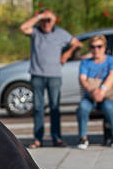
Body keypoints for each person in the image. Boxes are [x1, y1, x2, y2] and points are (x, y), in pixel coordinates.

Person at [19, 9, 81, 148]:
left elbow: (77, 43)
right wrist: (39, 16)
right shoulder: (35, 32)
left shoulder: (61, 33)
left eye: (49, 20)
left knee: (55, 108)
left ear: (54, 20)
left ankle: (57, 138)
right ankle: (38, 139)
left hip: (54, 76)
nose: (46, 23)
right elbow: (23, 28)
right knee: (38, 108)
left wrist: (67, 54)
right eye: (44, 20)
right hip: (37, 75)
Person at [76, 34, 113, 149]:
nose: (96, 49)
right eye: (93, 47)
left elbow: (112, 75)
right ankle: (83, 137)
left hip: (109, 94)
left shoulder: (112, 60)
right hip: (91, 95)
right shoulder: (85, 63)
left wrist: (102, 91)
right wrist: (92, 91)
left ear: (104, 47)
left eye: (99, 46)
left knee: (108, 107)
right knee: (83, 107)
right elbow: (82, 79)